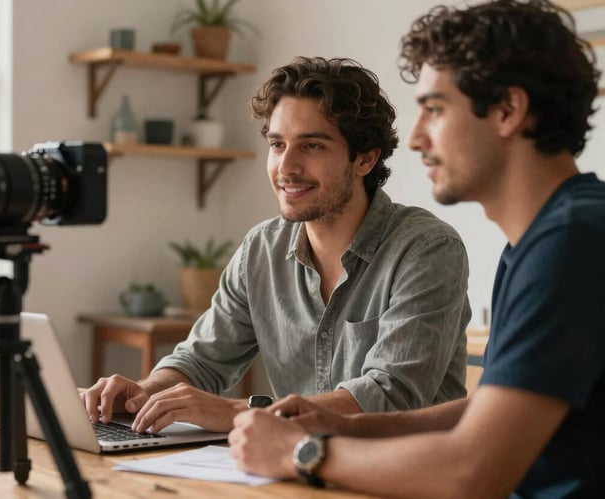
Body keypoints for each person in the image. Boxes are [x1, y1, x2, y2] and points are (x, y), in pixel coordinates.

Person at [229, 1, 605, 497]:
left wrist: (300, 452)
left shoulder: (573, 241)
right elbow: (488, 409)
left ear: (508, 111)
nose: (414, 138)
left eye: (434, 109)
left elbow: (472, 471)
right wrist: (337, 424)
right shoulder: (544, 240)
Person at [82, 56, 471, 434]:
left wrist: (239, 412)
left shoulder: (426, 248)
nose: (286, 167)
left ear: (365, 159)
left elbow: (392, 395)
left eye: (312, 146)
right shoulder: (261, 249)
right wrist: (144, 394)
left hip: (402, 476)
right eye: (277, 145)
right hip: (297, 468)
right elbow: (202, 360)